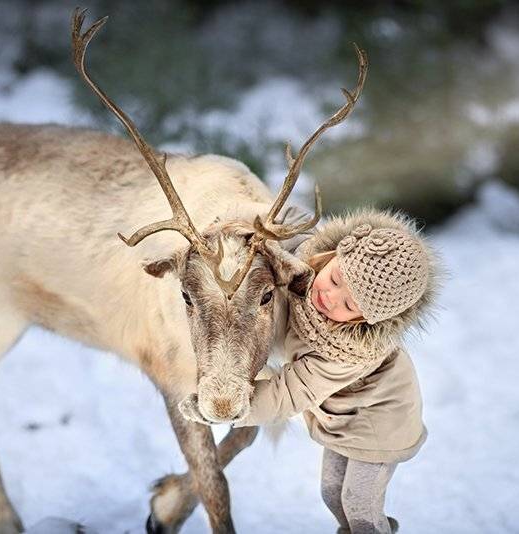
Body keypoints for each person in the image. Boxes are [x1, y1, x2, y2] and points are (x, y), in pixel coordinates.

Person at [182, 206, 439, 534]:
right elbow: (275, 244)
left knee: (358, 502)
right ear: (333, 253)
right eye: (334, 279)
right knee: (331, 492)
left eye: (348, 306)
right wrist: (246, 231)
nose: (330, 298)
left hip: (379, 423)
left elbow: (289, 392)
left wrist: (229, 406)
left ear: (366, 320)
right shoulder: (309, 259)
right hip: (340, 419)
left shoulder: (344, 353)